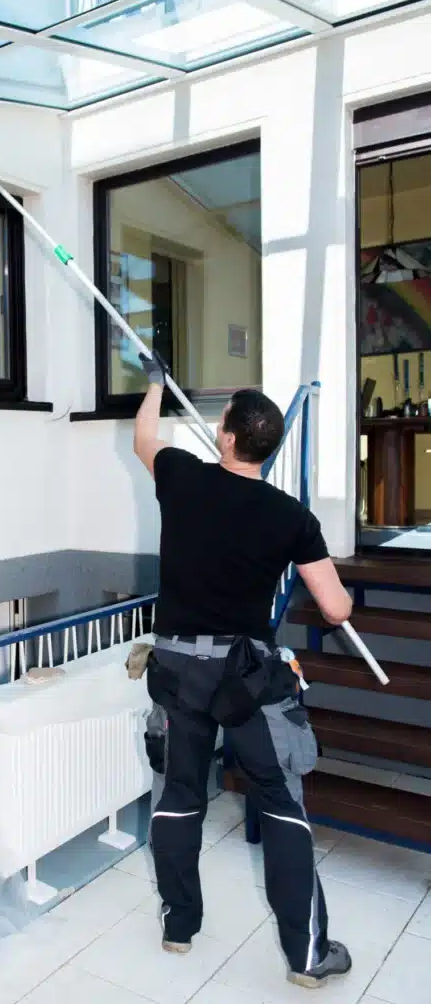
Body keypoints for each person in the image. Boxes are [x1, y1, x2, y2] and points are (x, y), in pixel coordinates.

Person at [133, 353, 353, 990]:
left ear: (225, 437)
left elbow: (145, 436)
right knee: (281, 807)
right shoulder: (291, 517)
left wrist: (155, 384)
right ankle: (307, 958)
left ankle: (179, 927)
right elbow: (335, 606)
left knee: (178, 798)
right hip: (244, 681)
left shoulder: (181, 475)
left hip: (178, 672)